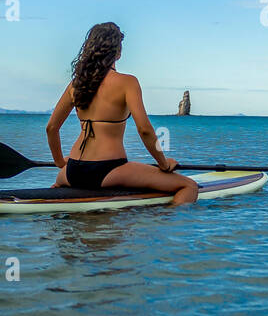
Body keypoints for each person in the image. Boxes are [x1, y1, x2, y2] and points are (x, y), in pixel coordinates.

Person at [45, 22, 198, 205]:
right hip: (107, 169)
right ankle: (162, 223)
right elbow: (145, 130)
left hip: (72, 172)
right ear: (118, 52)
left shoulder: (76, 84)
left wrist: (61, 163)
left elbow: (51, 128)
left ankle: (64, 194)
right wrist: (163, 164)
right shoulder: (127, 83)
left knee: (62, 182)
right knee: (189, 186)